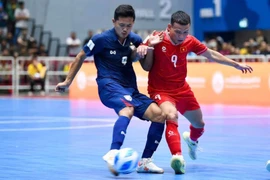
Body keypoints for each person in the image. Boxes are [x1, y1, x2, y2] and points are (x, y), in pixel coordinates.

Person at [137, 10, 253, 174]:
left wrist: (235, 64)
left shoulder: (189, 41)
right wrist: (145, 46)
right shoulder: (157, 37)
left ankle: (192, 141)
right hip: (160, 90)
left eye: (185, 32)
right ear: (169, 27)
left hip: (182, 89)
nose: (181, 36)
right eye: (178, 31)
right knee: (171, 115)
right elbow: (141, 51)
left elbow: (211, 54)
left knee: (199, 124)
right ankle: (178, 157)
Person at [55, 4, 165, 176]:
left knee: (159, 115)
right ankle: (114, 151)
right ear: (114, 22)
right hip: (108, 86)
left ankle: (145, 162)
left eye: (129, 25)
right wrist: (68, 81)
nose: (125, 29)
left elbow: (147, 66)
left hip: (130, 89)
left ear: (133, 23)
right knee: (127, 109)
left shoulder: (134, 39)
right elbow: (80, 56)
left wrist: (147, 48)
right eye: (121, 25)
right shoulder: (101, 39)